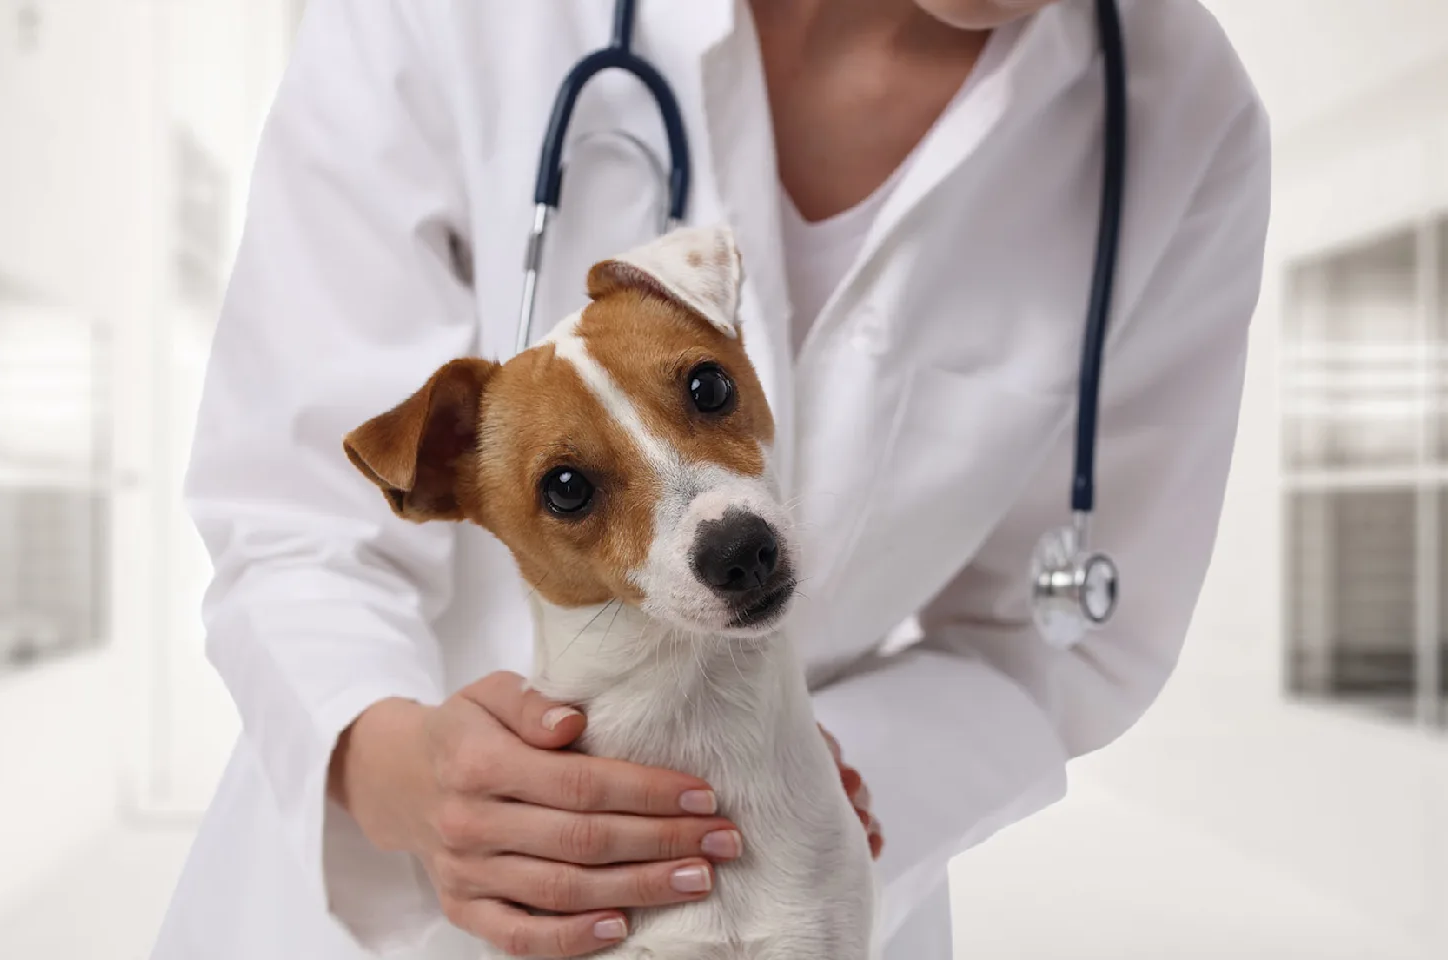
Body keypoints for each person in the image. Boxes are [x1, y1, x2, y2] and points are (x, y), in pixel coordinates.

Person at [151, 0, 1271, 957]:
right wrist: (405, 775)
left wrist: (811, 786)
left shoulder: (1180, 118)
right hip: (395, 901)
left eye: (703, 392)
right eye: (574, 488)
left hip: (805, 893)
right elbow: (294, 516)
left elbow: (1066, 631)